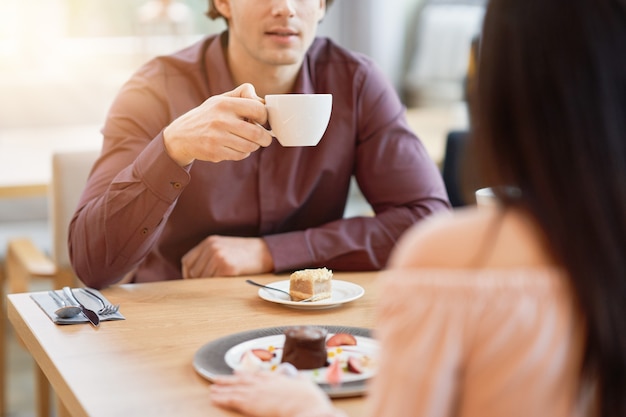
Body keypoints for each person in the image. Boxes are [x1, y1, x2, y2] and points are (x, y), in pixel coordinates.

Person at [209, 0, 626, 416]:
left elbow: (422, 213)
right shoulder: (162, 86)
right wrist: (172, 151)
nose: (285, 7)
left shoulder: (451, 263)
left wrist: (305, 409)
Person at [67, 0, 450, 289]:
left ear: (321, 5)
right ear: (222, 3)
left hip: (307, 319)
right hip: (179, 312)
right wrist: (173, 148)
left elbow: (428, 222)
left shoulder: (356, 83)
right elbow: (93, 264)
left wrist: (271, 252)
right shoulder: (154, 90)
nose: (285, 8)